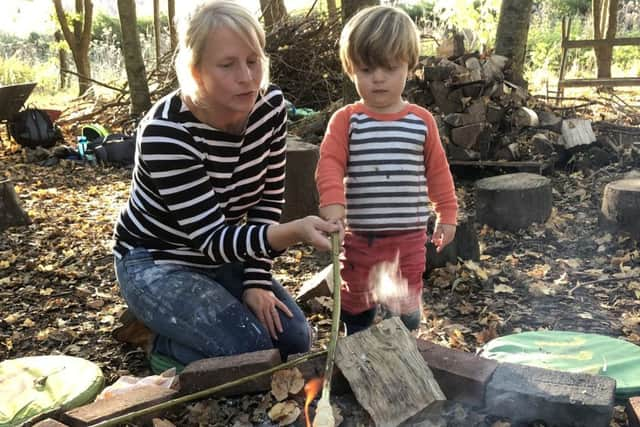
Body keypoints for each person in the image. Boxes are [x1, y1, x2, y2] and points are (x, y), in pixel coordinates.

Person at [112, 0, 340, 370]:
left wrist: (256, 281)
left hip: (226, 255)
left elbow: (267, 199)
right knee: (249, 351)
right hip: (157, 261)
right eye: (227, 64)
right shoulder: (166, 133)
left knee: (295, 342)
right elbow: (211, 240)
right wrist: (294, 232)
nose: (247, 78)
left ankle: (197, 322)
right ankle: (161, 342)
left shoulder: (270, 107)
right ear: (196, 71)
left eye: (253, 61)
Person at [316, 5, 458, 335]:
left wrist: (447, 213)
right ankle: (358, 352)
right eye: (366, 70)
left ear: (409, 65)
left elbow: (437, 171)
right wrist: (333, 206)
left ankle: (408, 353)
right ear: (351, 69)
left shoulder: (421, 121)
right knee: (355, 304)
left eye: (390, 68)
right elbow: (330, 163)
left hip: (408, 238)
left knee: (405, 307)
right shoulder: (347, 120)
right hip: (360, 238)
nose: (378, 78)